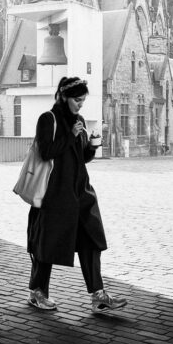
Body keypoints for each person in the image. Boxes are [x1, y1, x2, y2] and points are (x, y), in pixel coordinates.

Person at [27, 76, 127, 314]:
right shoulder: (47, 119)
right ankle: (37, 292)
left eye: (83, 100)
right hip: (54, 196)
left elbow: (81, 158)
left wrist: (92, 145)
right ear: (63, 97)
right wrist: (71, 135)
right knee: (47, 245)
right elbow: (46, 152)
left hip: (81, 193)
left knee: (92, 241)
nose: (81, 104)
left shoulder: (80, 121)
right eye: (77, 100)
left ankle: (98, 295)